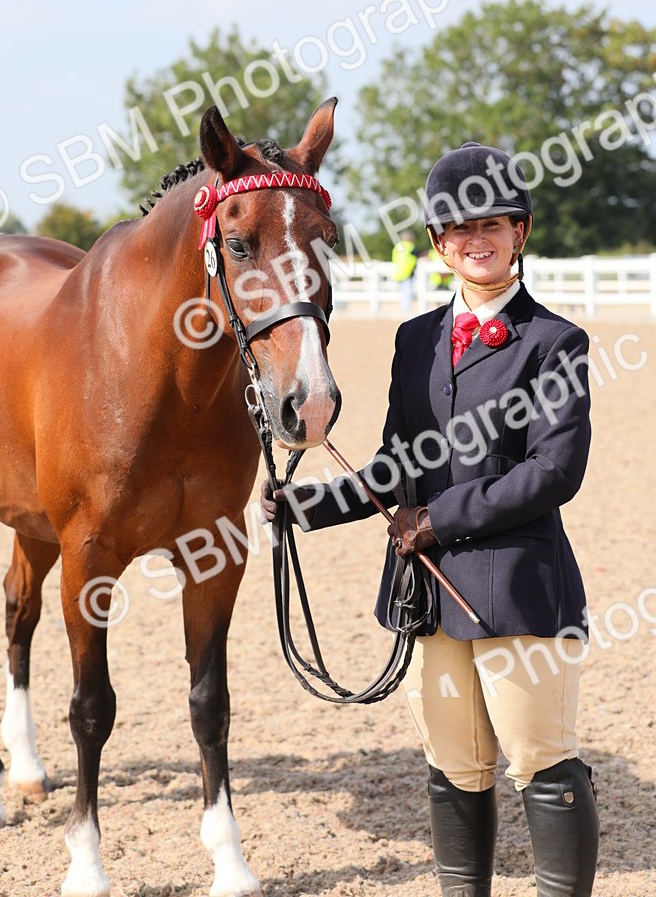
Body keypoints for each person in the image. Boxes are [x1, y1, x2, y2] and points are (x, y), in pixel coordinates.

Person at [261, 141, 599, 897]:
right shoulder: (414, 340)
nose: (476, 241)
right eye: (458, 229)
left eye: (495, 225)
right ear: (439, 243)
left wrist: (438, 520)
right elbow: (395, 467)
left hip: (515, 587)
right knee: (454, 766)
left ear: (520, 233)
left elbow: (554, 473)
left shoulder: (555, 344)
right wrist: (311, 507)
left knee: (541, 760)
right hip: (432, 595)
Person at [392, 229, 418, 312]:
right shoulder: (409, 246)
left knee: (403, 295)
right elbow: (417, 254)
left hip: (398, 274)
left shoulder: (397, 247)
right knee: (407, 295)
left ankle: (402, 310)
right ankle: (405, 312)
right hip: (407, 274)